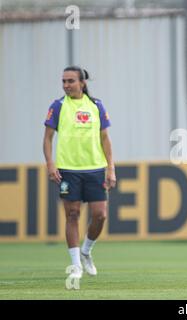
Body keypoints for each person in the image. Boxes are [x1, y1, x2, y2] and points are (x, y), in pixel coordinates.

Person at [43, 66, 116, 279]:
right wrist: (50, 164)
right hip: (68, 169)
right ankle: (75, 265)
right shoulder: (57, 106)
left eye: (70, 81)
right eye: (64, 81)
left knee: (100, 215)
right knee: (72, 214)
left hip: (94, 168)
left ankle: (86, 251)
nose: (66, 85)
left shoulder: (96, 105)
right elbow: (47, 138)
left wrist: (110, 167)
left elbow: (105, 139)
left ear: (82, 83)